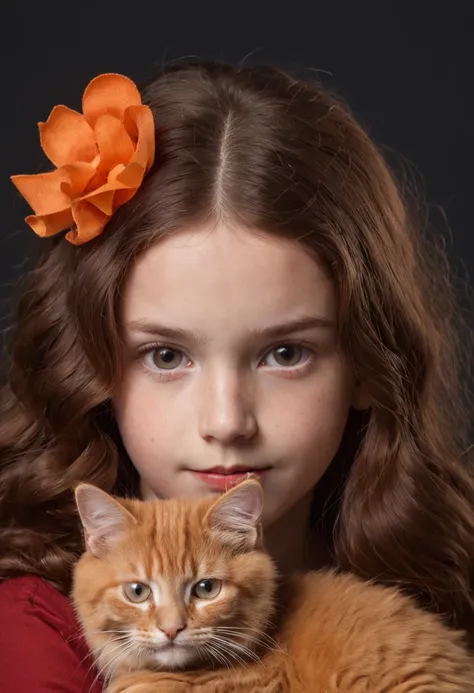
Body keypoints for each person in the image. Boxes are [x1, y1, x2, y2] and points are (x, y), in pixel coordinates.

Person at [0, 59, 473, 692]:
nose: (227, 421)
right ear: (90, 367)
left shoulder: (449, 584)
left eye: (284, 353)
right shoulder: (31, 639)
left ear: (367, 367)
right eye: (166, 356)